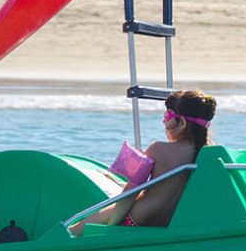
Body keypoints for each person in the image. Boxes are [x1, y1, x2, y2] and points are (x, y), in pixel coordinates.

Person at [70, 90, 217, 233]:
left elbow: (128, 195)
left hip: (137, 221)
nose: (163, 121)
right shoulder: (210, 154)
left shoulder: (158, 149)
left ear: (183, 123)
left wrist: (111, 228)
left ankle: (66, 235)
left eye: (167, 116)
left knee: (81, 225)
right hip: (169, 225)